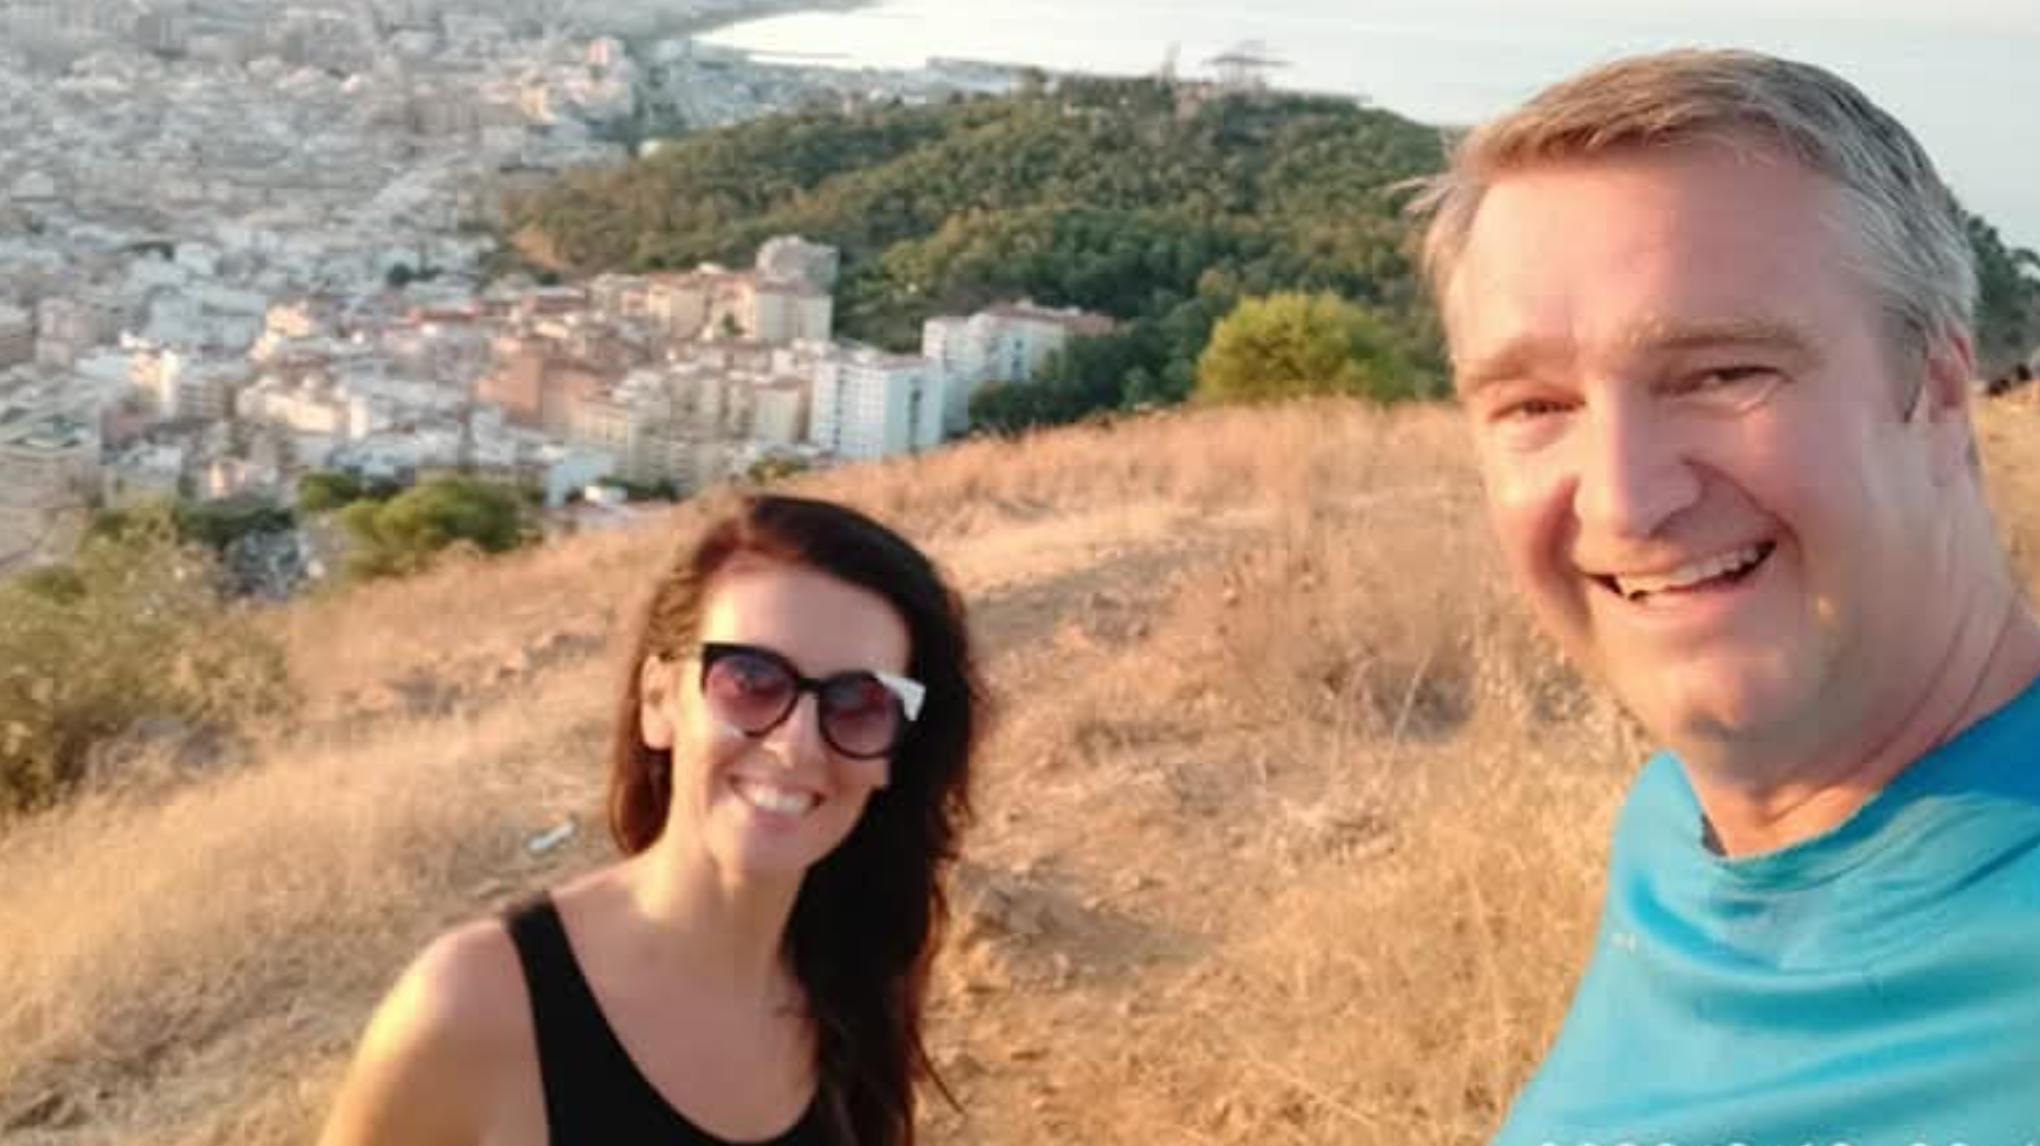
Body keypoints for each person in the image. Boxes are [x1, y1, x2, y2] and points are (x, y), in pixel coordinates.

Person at [1417, 49, 2040, 1145]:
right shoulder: (1679, 824)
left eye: (1723, 373)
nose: (1623, 501)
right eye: (1534, 406)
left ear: (1940, 395)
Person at [320, 494, 984, 1146]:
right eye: (751, 681)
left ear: (895, 752)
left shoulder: (851, 984)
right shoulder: (474, 1006)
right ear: (659, 701)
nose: (797, 745)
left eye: (861, 703)